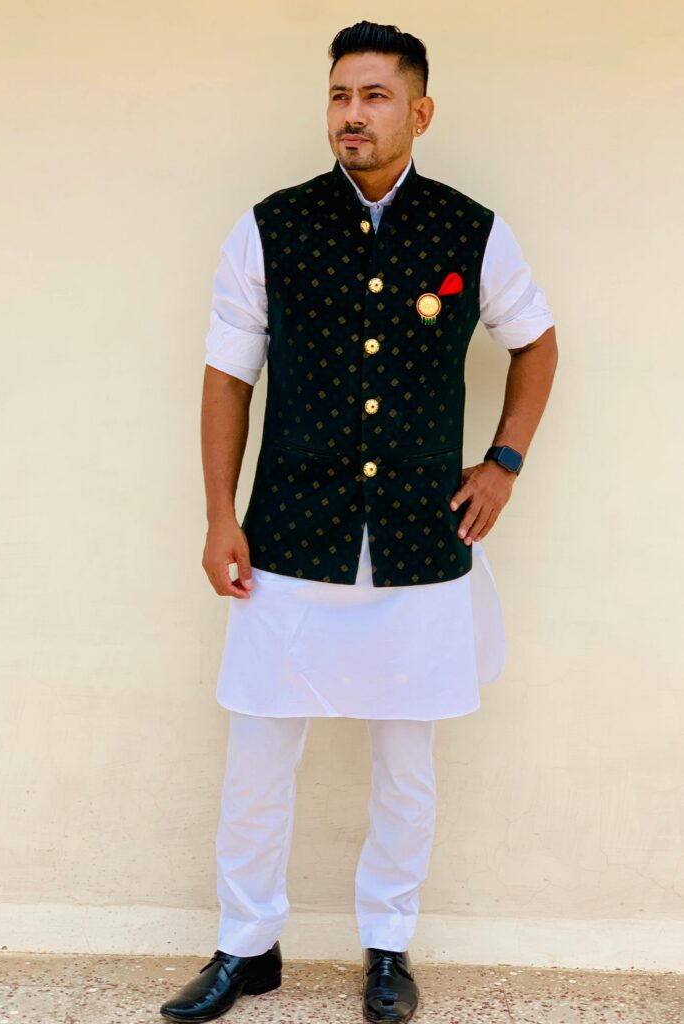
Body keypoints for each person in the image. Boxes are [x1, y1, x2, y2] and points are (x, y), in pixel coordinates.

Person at [161, 19, 558, 1024]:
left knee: (404, 763)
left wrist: (503, 463)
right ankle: (244, 946)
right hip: (290, 528)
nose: (352, 113)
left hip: (422, 541)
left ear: (418, 112)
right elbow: (225, 377)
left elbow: (537, 343)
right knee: (256, 756)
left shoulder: (471, 229)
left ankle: (387, 944)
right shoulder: (267, 227)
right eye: (340, 94)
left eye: (374, 96)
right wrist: (219, 515)